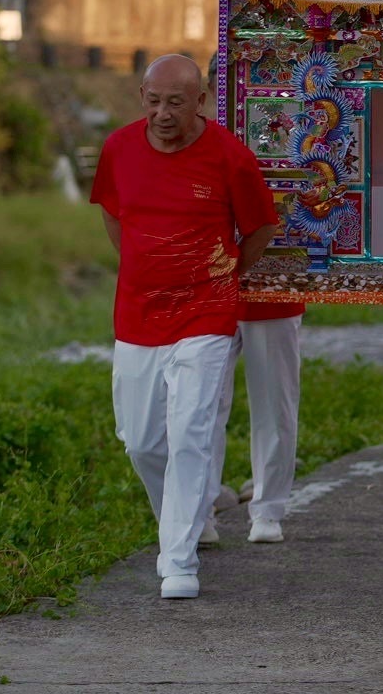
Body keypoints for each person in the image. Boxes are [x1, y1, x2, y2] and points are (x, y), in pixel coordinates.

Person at [90, 54, 278, 600]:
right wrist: (142, 267)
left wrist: (226, 272)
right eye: (153, 102)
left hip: (206, 313)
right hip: (138, 315)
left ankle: (178, 559)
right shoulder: (119, 149)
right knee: (141, 441)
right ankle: (184, 516)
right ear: (141, 98)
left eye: (175, 102)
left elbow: (261, 226)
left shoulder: (229, 155)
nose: (163, 113)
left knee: (192, 430)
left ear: (200, 101)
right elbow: (112, 213)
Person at [207, 299, 304, 545]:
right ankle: (197, 512)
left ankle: (268, 510)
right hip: (206, 294)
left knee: (275, 400)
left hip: (271, 290)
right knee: (202, 406)